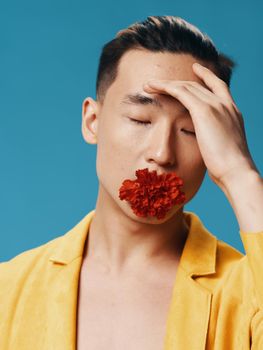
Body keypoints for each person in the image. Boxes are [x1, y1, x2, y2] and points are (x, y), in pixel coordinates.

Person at [0, 15, 263, 350]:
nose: (161, 153)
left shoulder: (248, 293)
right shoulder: (8, 290)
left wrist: (240, 174)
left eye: (191, 131)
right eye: (141, 120)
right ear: (92, 121)